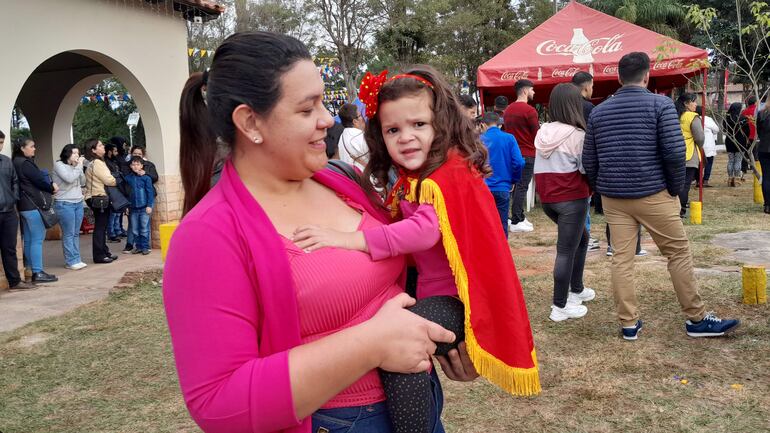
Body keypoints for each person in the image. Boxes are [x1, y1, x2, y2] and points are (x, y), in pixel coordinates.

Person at [165, 32, 479, 433]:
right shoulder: (208, 236)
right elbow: (219, 403)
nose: (328, 119)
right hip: (339, 421)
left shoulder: (341, 178)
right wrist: (373, 343)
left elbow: (410, 261)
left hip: (415, 403)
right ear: (249, 122)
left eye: (323, 101)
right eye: (306, 108)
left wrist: (450, 333)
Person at [294, 65, 540, 433]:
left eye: (418, 125)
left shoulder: (448, 174)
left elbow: (422, 233)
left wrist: (349, 239)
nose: (406, 137)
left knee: (400, 357)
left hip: (456, 303)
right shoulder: (413, 179)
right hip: (432, 296)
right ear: (380, 136)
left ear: (441, 124)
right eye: (394, 130)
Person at [583, 51, 739, 340]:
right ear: (646, 76)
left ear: (618, 77)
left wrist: (601, 188)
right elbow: (674, 152)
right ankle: (696, 319)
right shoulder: (661, 105)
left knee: (622, 259)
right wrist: (674, 188)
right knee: (677, 253)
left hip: (614, 197)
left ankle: (628, 324)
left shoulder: (600, 111)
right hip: (653, 191)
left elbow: (589, 160)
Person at [533, 83, 594, 321]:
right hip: (572, 199)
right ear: (573, 105)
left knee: (581, 240)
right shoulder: (578, 135)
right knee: (566, 250)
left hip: (549, 200)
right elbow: (585, 168)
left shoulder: (542, 132)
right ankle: (559, 305)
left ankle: (576, 289)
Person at [12, 138, 58, 283]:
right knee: (37, 240)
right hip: (33, 206)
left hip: (23, 206)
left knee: (30, 240)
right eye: (31, 146)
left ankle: (29, 269)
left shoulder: (15, 162)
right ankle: (37, 272)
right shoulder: (26, 163)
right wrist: (52, 188)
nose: (34, 149)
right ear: (22, 148)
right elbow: (39, 180)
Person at [479, 111, 524, 236]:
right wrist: (514, 180)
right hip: (503, 187)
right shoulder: (509, 138)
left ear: (483, 125)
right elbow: (519, 162)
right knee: (501, 224)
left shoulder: (479, 140)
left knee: (484, 223)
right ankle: (502, 252)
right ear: (499, 125)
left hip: (483, 187)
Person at [0, 131, 34, 290]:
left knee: (9, 248)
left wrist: (13, 198)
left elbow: (15, 181)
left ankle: (15, 281)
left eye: (1, 142)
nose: (0, 145)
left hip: (8, 212)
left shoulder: (7, 161)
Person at [503, 79, 538, 233]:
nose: (533, 92)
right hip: (527, 153)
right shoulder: (530, 111)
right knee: (522, 186)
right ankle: (517, 219)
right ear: (525, 91)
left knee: (514, 186)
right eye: (532, 89)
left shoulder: (508, 110)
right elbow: (536, 134)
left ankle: (519, 216)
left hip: (511, 154)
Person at [572, 72, 599, 250]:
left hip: (565, 157)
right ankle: (584, 236)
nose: (592, 89)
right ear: (586, 86)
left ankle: (581, 235)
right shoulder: (588, 108)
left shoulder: (565, 105)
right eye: (592, 85)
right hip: (584, 154)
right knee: (584, 198)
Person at [52, 144, 87, 270]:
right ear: (67, 154)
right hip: (64, 203)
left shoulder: (76, 167)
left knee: (76, 233)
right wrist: (78, 166)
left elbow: (83, 182)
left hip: (78, 202)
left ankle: (77, 259)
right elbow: (69, 178)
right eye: (74, 153)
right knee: (69, 233)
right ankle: (70, 261)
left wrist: (79, 167)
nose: (77, 156)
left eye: (78, 153)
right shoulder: (59, 165)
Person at [84, 139, 118, 264]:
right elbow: (109, 180)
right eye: (100, 145)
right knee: (100, 228)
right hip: (99, 198)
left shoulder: (93, 162)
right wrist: (116, 180)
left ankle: (104, 252)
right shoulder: (97, 163)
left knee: (101, 227)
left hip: (95, 197)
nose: (103, 146)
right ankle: (99, 255)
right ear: (93, 150)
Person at [121, 145, 158, 253]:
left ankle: (145, 247)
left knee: (144, 228)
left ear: (142, 165)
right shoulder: (128, 178)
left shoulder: (146, 177)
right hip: (133, 208)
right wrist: (127, 206)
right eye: (133, 164)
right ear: (131, 166)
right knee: (135, 229)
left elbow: (150, 192)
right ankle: (138, 247)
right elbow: (125, 192)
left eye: (138, 164)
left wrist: (149, 205)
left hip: (144, 207)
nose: (136, 166)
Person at [675, 92, 704, 218]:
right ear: (686, 104)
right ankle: (680, 209)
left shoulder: (673, 115)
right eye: (694, 101)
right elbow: (700, 137)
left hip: (673, 152)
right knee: (685, 183)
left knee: (675, 183)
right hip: (689, 153)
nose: (696, 104)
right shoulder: (693, 117)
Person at [723, 102, 750, 187]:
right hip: (740, 141)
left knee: (731, 160)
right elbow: (747, 131)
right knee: (738, 160)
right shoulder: (743, 118)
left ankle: (730, 178)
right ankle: (737, 179)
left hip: (729, 140)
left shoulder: (727, 118)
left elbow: (724, 129)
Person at [337, 103, 369, 171]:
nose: (363, 117)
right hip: (368, 177)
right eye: (360, 115)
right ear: (355, 121)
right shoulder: (360, 136)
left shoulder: (341, 138)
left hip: (353, 178)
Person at [697, 106, 719, 188]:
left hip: (698, 144)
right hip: (708, 144)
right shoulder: (708, 119)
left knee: (699, 164)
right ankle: (705, 180)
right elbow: (716, 129)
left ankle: (698, 180)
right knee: (709, 163)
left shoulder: (693, 118)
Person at [756, 94, 770, 214]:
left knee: (766, 177)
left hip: (764, 148)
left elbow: (759, 131)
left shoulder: (761, 113)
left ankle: (767, 205)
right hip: (765, 147)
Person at [740, 96, 758, 180]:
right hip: (756, 135)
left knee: (746, 152)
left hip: (746, 136)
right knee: (755, 153)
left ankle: (744, 168)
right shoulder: (758, 110)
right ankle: (754, 168)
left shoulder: (744, 112)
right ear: (755, 102)